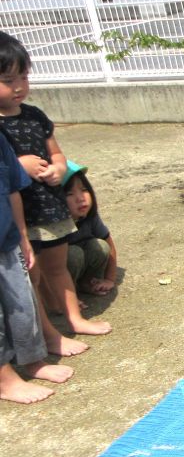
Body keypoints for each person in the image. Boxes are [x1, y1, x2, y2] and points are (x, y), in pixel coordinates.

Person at [0, 31, 107, 354]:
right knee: (30, 279)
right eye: (8, 79)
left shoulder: (35, 117)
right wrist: (21, 166)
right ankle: (48, 334)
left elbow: (57, 155)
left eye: (24, 77)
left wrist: (58, 169)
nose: (19, 86)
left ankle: (74, 319)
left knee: (58, 268)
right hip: (22, 215)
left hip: (49, 207)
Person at [0, 131, 74, 403]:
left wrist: (21, 236)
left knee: (22, 303)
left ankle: (34, 361)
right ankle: (4, 380)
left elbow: (12, 189)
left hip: (7, 239)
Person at [61, 160, 118, 297]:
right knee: (73, 254)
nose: (80, 198)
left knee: (101, 247)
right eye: (69, 193)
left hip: (81, 262)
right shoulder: (53, 226)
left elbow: (110, 245)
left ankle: (88, 283)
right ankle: (67, 295)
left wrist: (110, 279)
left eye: (84, 190)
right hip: (58, 276)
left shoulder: (90, 217)